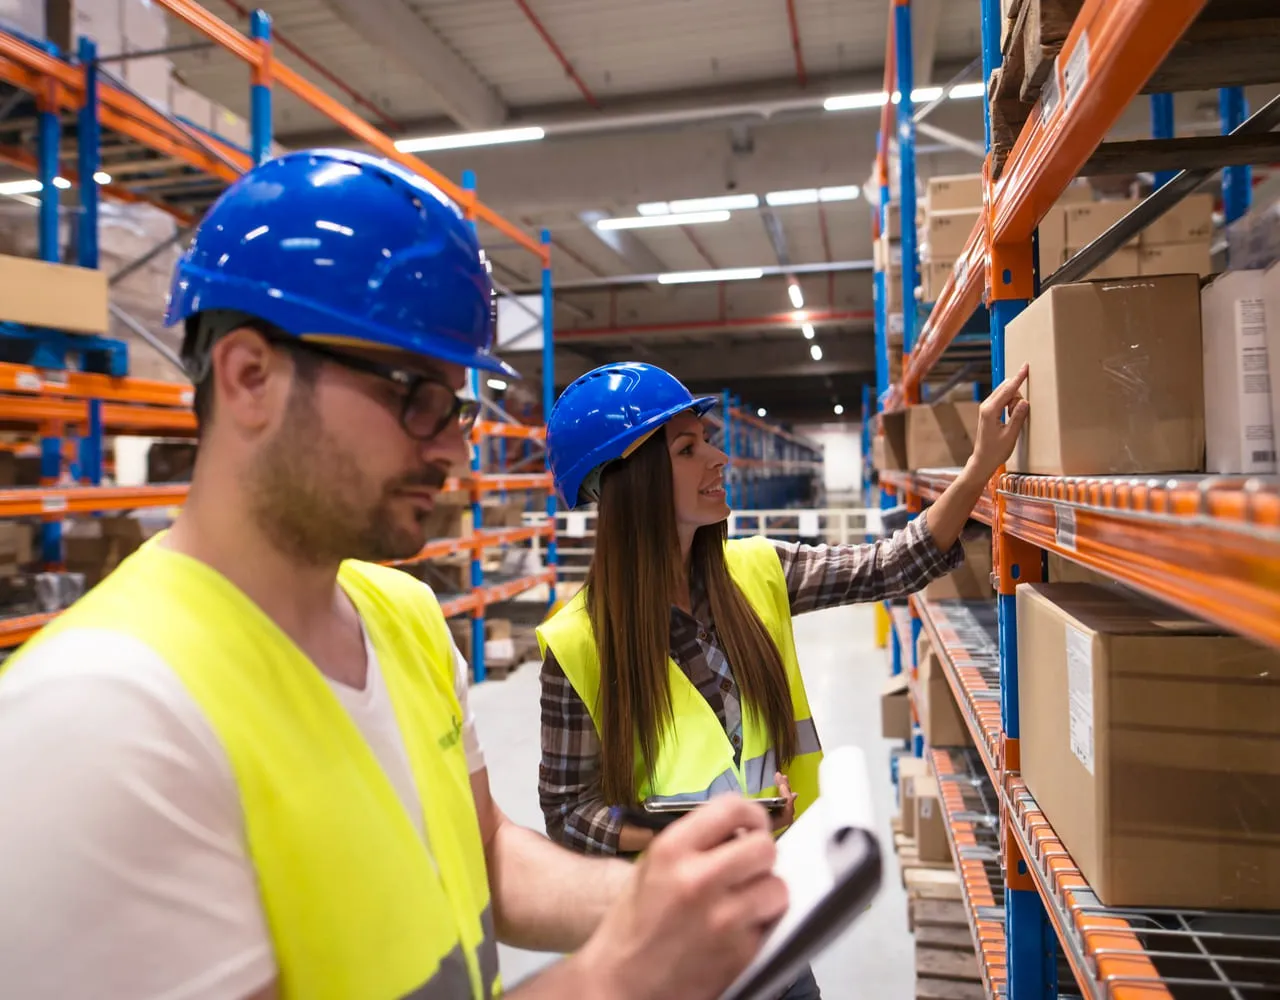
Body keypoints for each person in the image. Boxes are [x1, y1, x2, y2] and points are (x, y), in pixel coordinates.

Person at [0, 150, 791, 1000]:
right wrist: (613, 980)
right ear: (250, 376)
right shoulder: (105, 712)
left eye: (457, 407)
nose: (451, 447)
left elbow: (482, 851)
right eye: (414, 395)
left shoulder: (405, 617)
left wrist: (660, 901)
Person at [535, 361, 1029, 999]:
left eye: (707, 439)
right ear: (631, 485)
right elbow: (569, 814)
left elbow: (888, 565)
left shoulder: (756, 570)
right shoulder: (578, 643)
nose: (719, 458)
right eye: (688, 449)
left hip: (769, 912)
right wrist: (677, 830)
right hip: (667, 935)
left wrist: (980, 465)